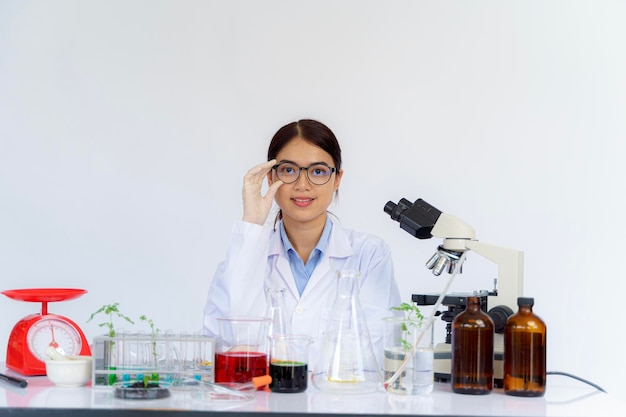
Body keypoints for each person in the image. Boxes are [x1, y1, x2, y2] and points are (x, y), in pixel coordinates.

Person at [202, 119, 401, 364]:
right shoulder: (245, 256)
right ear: (270, 177)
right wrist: (252, 222)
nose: (302, 185)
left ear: (337, 179)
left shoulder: (369, 254)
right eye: (288, 170)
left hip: (340, 402)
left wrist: (272, 352)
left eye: (318, 171)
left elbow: (376, 354)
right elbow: (228, 346)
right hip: (264, 403)